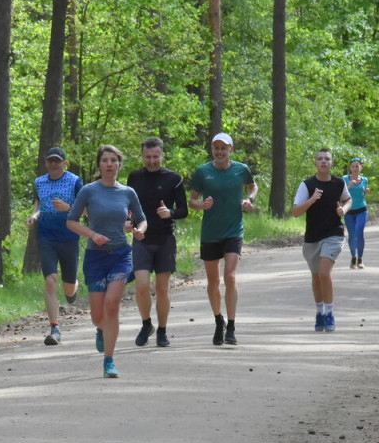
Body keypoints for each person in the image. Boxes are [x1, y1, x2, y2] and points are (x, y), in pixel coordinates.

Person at [66, 145, 147, 377]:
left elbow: (142, 220)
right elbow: (71, 221)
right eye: (105, 161)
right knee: (97, 316)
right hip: (95, 257)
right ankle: (101, 329)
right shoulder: (89, 191)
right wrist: (92, 234)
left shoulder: (128, 192)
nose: (109, 165)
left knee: (112, 305)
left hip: (121, 255)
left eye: (114, 161)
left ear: (119, 165)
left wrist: (140, 231)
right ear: (99, 165)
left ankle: (109, 361)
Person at [189, 132, 257, 346]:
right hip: (210, 232)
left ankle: (232, 326)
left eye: (223, 148)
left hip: (233, 230)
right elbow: (192, 201)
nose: (219, 151)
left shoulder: (241, 169)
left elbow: (252, 186)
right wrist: (202, 205)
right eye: (215, 147)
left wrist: (249, 199)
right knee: (213, 281)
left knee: (230, 276)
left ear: (231, 150)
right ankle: (219, 320)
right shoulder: (202, 172)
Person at [126, 137, 188, 347]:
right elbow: (129, 206)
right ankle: (146, 324)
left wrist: (169, 212)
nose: (152, 161)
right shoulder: (134, 177)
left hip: (165, 239)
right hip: (141, 238)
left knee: (162, 289)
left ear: (162, 155)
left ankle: (162, 331)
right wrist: (128, 222)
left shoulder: (174, 178)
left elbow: (183, 211)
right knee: (142, 286)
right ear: (142, 156)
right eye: (148, 157)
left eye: (155, 157)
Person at [27, 147, 84, 346]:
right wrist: (34, 215)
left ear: (64, 163)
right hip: (46, 237)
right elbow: (38, 204)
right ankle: (55, 328)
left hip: (69, 236)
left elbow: (85, 209)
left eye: (57, 161)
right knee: (50, 280)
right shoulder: (39, 182)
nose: (53, 164)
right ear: (46, 163)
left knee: (68, 288)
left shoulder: (75, 181)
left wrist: (69, 208)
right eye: (50, 160)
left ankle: (73, 288)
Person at [292, 148, 352, 332]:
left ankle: (329, 313)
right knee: (316, 276)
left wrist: (344, 209)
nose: (323, 162)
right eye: (320, 159)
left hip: (334, 234)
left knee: (325, 273)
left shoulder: (339, 183)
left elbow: (348, 199)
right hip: (312, 237)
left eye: (327, 159)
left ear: (332, 163)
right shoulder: (307, 185)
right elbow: (295, 212)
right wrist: (311, 200)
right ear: (315, 163)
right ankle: (319, 313)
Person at [344, 157, 370, 269]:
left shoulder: (364, 180)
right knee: (352, 235)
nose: (355, 168)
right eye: (353, 166)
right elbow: (342, 194)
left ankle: (360, 259)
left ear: (361, 167)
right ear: (350, 167)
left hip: (361, 210)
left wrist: (366, 193)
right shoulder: (344, 179)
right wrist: (349, 185)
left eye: (357, 166)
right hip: (349, 211)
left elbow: (362, 196)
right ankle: (353, 258)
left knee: (359, 233)